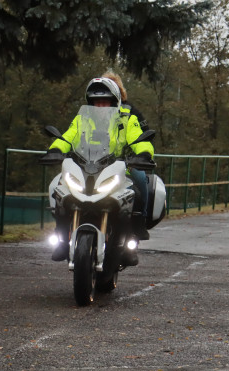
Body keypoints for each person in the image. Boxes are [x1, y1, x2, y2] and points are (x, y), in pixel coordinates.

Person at [47, 77, 154, 260]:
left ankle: (133, 237)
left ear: (114, 102)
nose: (100, 106)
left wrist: (143, 153)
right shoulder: (82, 119)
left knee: (139, 186)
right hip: (85, 168)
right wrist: (55, 149)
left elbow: (139, 139)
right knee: (58, 188)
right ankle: (62, 241)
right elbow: (68, 136)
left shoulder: (127, 118)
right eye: (97, 103)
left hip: (119, 168)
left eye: (105, 102)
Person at [99, 71, 153, 229]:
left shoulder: (130, 112)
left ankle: (140, 220)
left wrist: (141, 154)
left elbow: (143, 134)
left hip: (125, 163)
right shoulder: (88, 114)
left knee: (142, 180)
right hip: (93, 163)